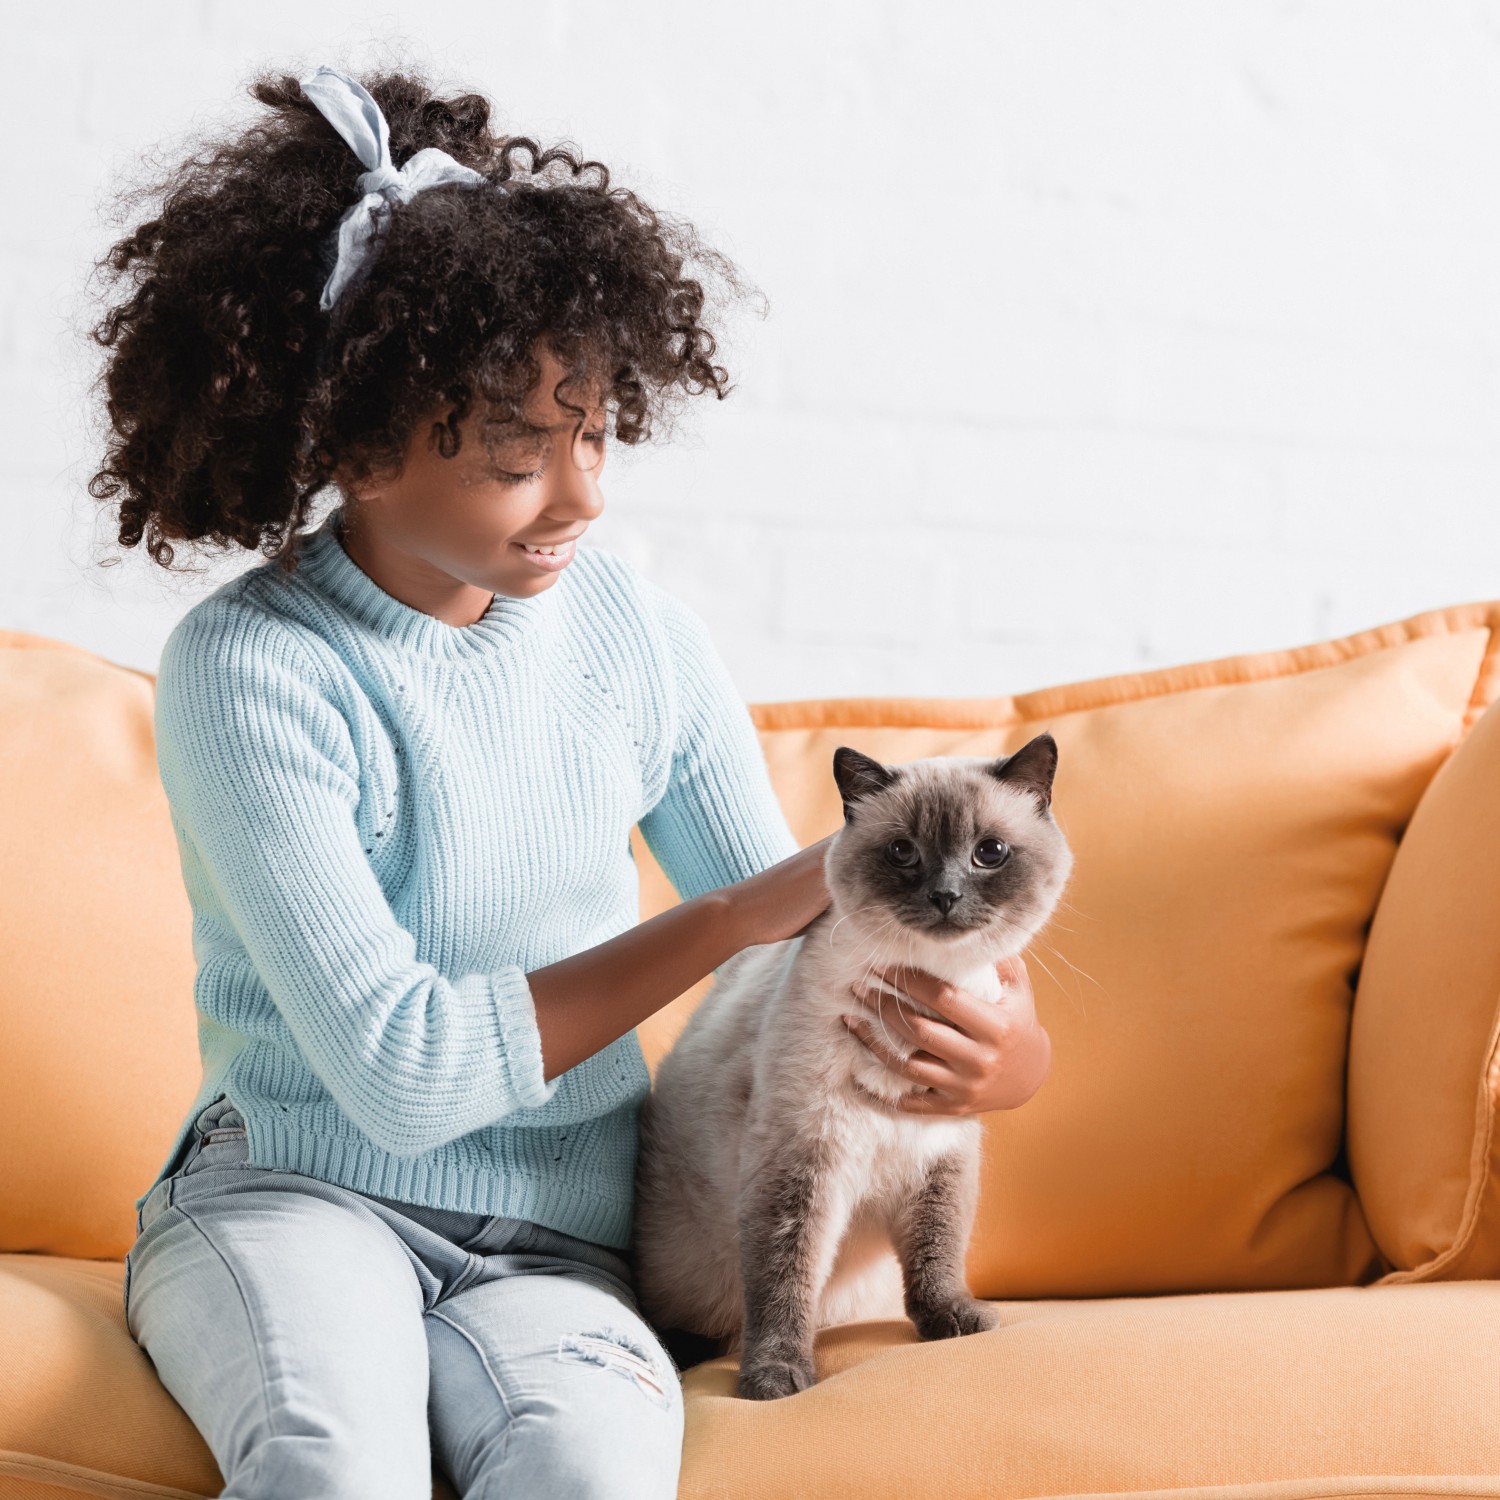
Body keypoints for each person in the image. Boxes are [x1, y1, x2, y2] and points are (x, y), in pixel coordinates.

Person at [86, 59, 1052, 1500]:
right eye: (519, 454)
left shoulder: (636, 637)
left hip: (561, 1243)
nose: (586, 495)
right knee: (332, 1464)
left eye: (595, 430)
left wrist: (1009, 1059)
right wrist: (724, 916)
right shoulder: (252, 670)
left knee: (588, 1478)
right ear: (350, 440)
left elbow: (818, 941)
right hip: (294, 1200)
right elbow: (406, 1074)